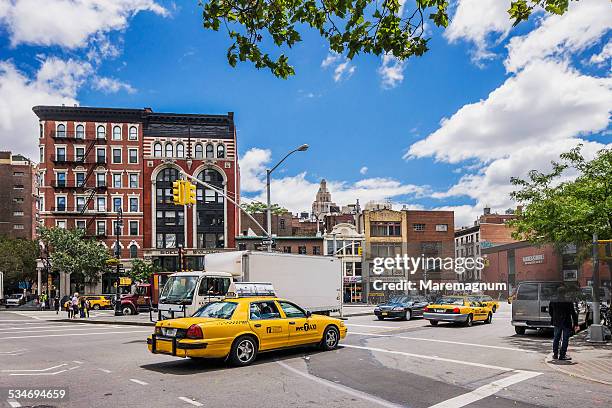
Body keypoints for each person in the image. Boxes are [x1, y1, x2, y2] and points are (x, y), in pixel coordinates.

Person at [549, 286, 579, 361]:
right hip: (566, 322)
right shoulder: (568, 301)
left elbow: (550, 311)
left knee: (556, 338)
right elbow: (573, 313)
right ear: (565, 293)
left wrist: (554, 317)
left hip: (557, 322)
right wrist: (576, 323)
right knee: (565, 339)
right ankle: (562, 355)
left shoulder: (553, 300)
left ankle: (555, 354)